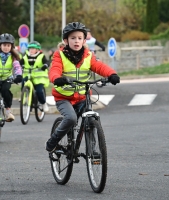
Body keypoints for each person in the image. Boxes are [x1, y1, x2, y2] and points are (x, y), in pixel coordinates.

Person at [45, 22, 120, 152]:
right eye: (73, 38)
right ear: (66, 40)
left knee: (91, 118)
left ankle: (92, 151)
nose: (76, 41)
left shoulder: (88, 55)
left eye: (80, 38)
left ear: (84, 40)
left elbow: (100, 67)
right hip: (64, 97)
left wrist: (112, 74)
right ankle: (53, 140)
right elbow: (55, 69)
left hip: (82, 97)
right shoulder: (59, 55)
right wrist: (57, 79)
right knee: (71, 118)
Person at [20, 41, 50, 112]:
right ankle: (23, 97)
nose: (31, 50)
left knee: (39, 91)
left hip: (39, 78)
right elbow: (19, 62)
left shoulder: (41, 56)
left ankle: (43, 103)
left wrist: (45, 65)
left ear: (37, 50)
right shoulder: (26, 56)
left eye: (33, 48)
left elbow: (47, 62)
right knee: (23, 82)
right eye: (30, 48)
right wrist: (20, 66)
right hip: (28, 76)